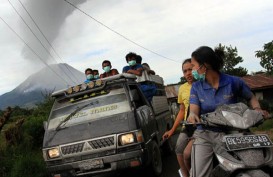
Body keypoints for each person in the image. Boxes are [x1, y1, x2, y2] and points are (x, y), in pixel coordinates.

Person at [187, 46, 269, 177]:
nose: (192, 71)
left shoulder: (233, 82)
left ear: (204, 66)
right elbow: (194, 109)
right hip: (206, 134)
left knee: (260, 161)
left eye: (193, 66)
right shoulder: (196, 87)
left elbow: (251, 97)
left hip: (234, 133)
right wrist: (192, 115)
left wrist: (258, 110)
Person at [162, 59, 194, 177]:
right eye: (185, 71)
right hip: (188, 126)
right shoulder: (182, 89)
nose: (188, 73)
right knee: (179, 149)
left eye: (190, 69)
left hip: (202, 127)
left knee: (189, 153)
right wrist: (172, 130)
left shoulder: (203, 85)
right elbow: (182, 110)